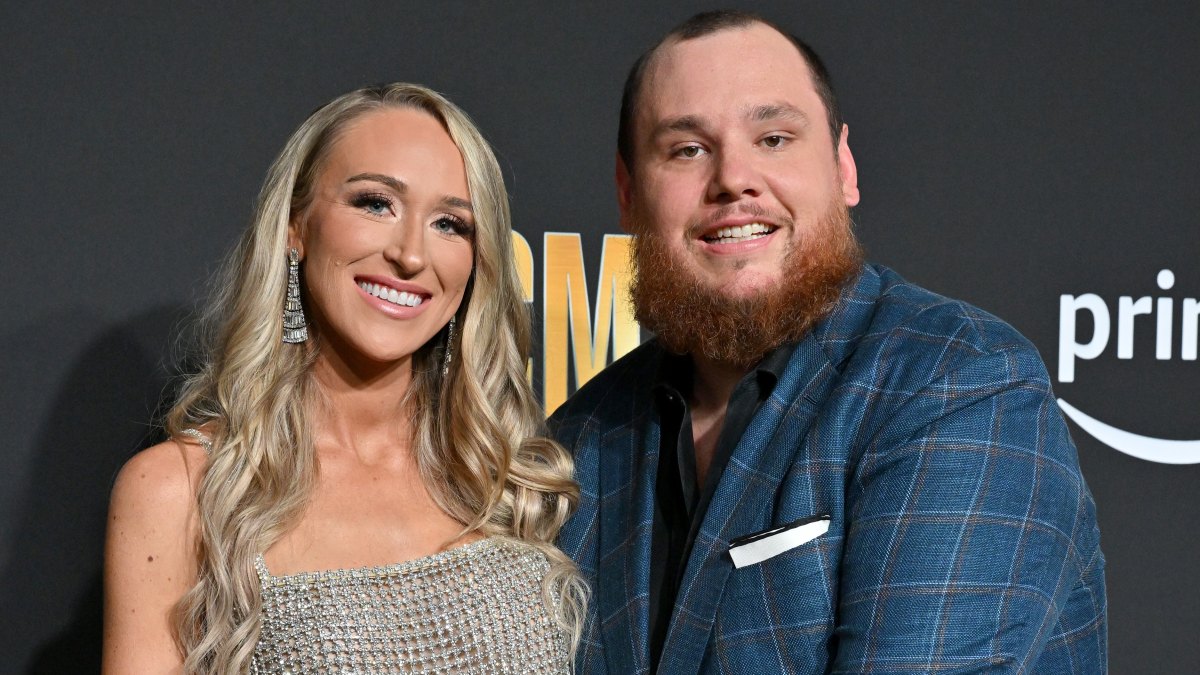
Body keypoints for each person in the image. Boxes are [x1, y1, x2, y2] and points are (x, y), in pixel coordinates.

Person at [552, 10, 1106, 674]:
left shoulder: (960, 384)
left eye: (775, 137)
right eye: (687, 149)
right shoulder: (579, 436)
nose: (734, 178)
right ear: (628, 192)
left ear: (843, 167)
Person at [104, 83, 584, 674]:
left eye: (449, 225)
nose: (411, 254)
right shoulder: (180, 492)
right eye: (375, 203)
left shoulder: (505, 480)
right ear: (295, 226)